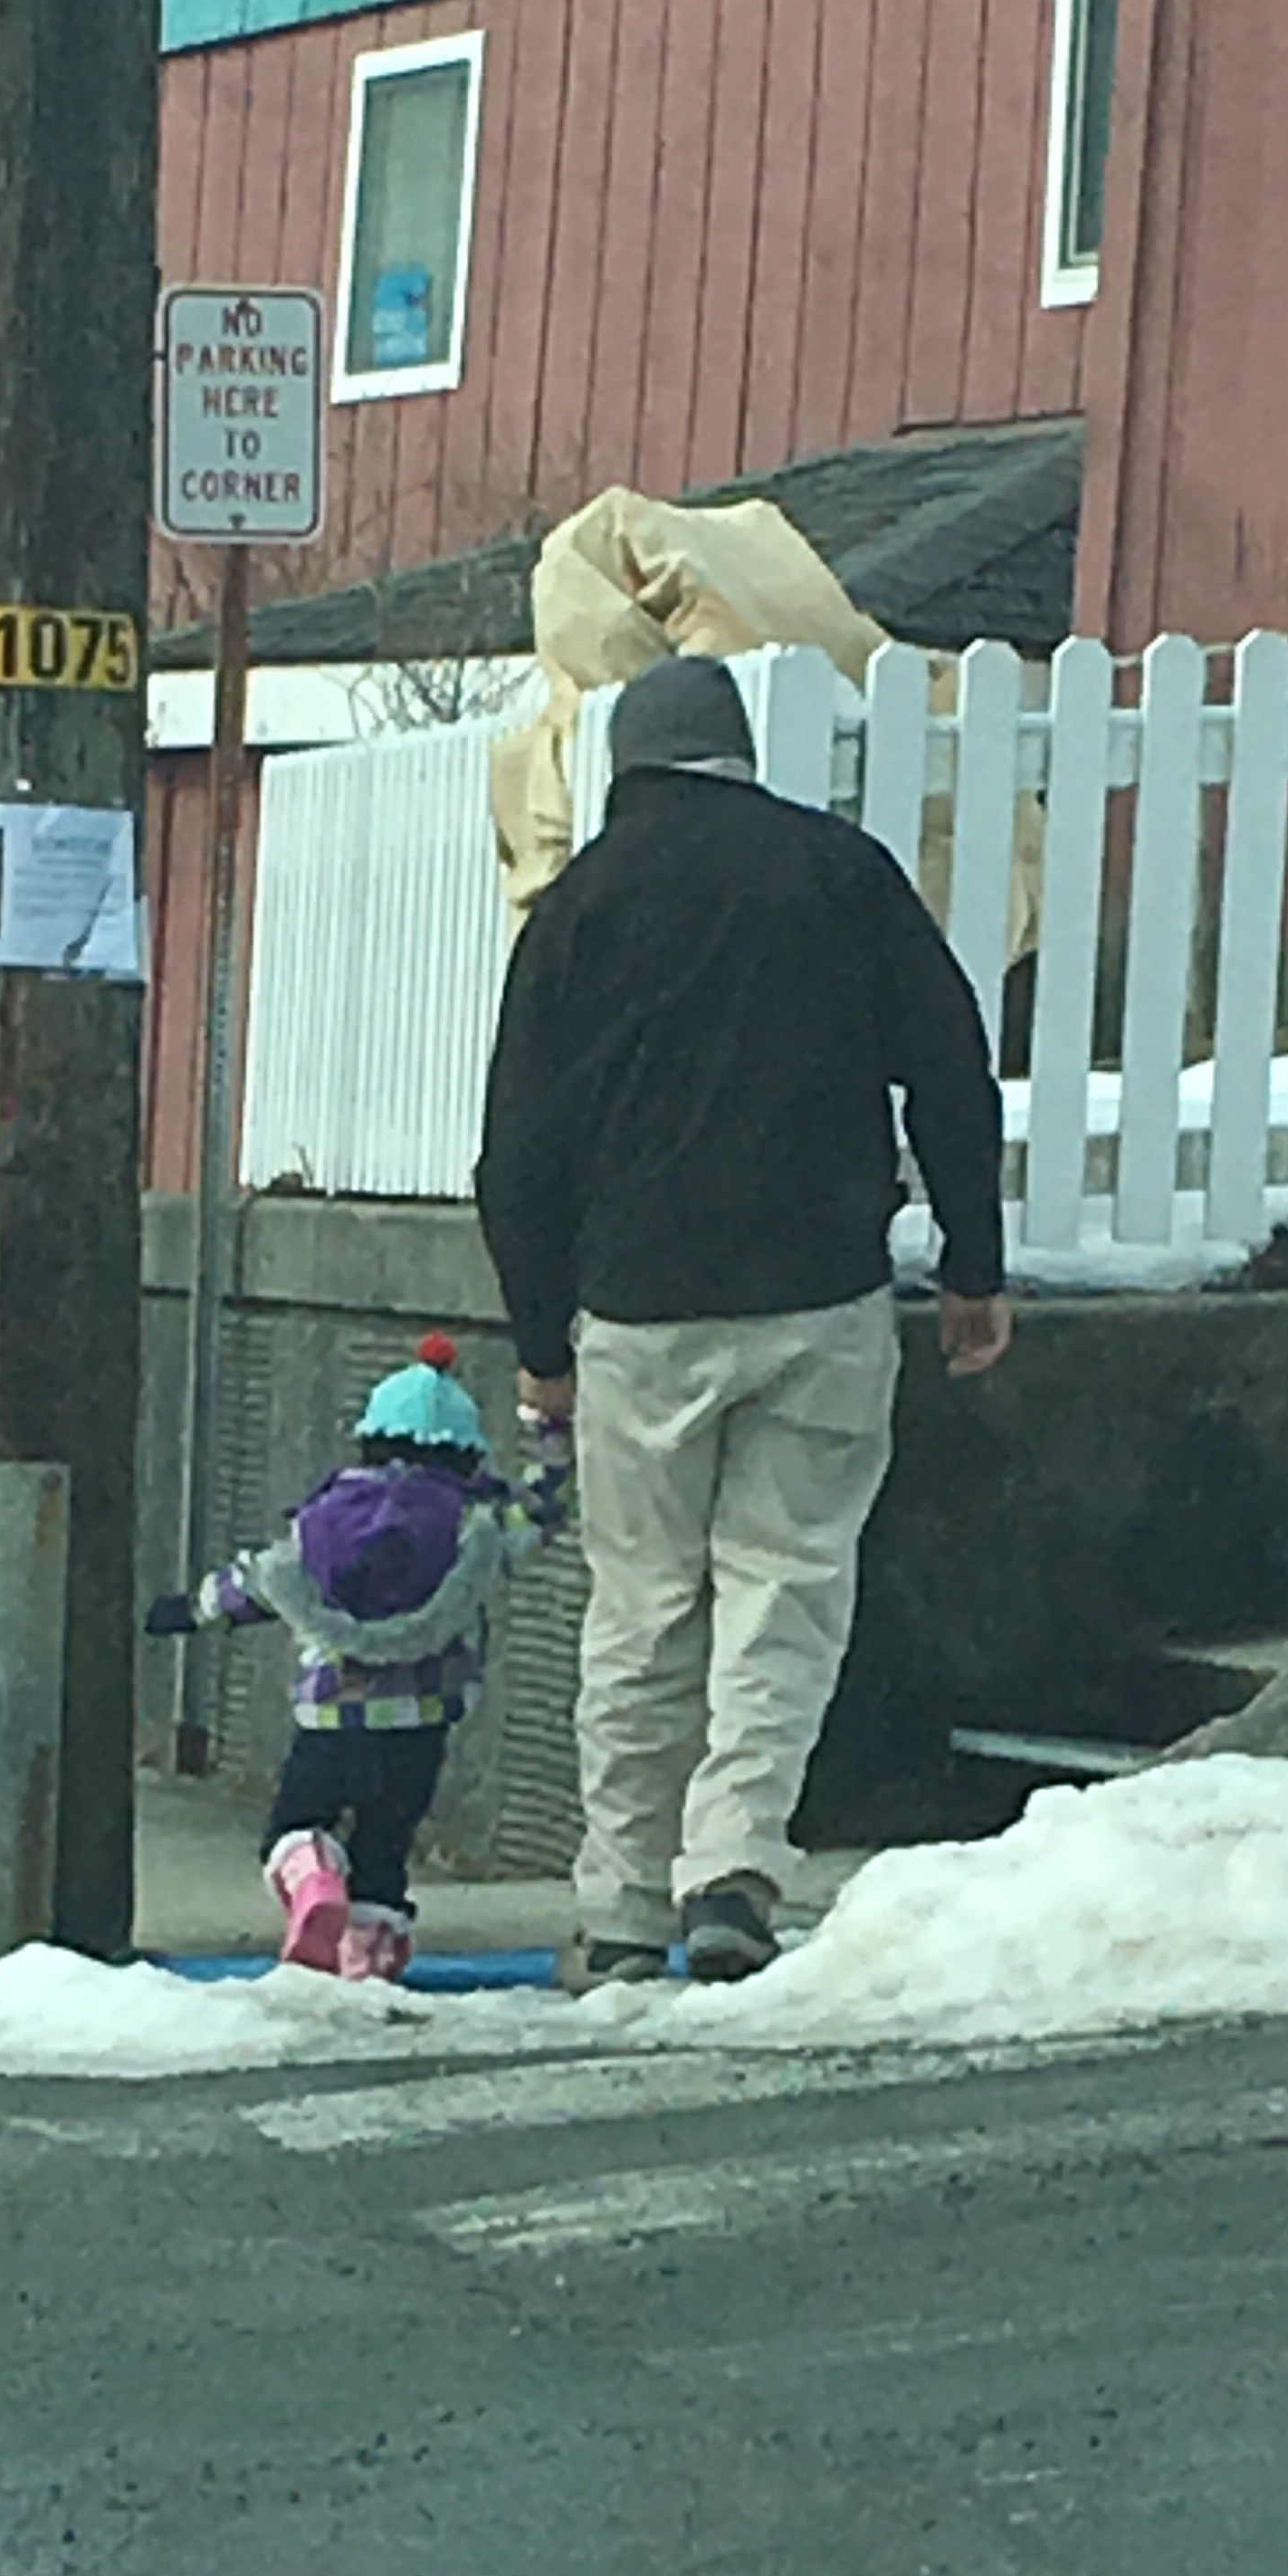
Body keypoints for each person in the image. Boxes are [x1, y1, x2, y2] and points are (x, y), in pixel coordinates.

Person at [474, 650, 1014, 1991]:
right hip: (820, 1293)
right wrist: (973, 1262)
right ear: (741, 754)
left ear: (625, 765)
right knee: (787, 1587)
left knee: (643, 1605)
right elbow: (950, 1063)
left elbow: (517, 1154)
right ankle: (732, 1874)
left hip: (638, 1308)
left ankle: (618, 1905)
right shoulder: (840, 873)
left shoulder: (579, 907)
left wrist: (542, 1346)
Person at [146, 1337, 571, 1982]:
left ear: (369, 1441)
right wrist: (552, 1436)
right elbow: (543, 1509)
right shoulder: (474, 1523)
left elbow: (258, 1582)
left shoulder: (324, 1520)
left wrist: (189, 1610)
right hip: (420, 1726)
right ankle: (371, 1951)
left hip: (330, 1721)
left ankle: (314, 1876)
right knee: (385, 1842)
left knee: (297, 1824)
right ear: (466, 1454)